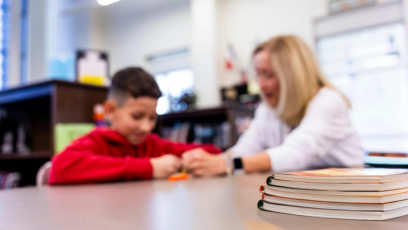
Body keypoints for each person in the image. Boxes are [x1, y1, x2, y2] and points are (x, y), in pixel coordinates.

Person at [182, 35, 363, 176]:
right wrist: (209, 162)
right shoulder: (268, 108)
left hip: (347, 195)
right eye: (258, 75)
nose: (260, 85)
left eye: (267, 75)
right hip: (304, 193)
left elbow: (296, 152)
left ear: (293, 76)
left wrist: (226, 164)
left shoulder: (328, 101)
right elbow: (246, 148)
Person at [49, 67, 221, 185]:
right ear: (110, 110)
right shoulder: (96, 142)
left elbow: (213, 151)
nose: (146, 127)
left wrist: (194, 160)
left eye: (152, 118)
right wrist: (149, 167)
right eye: (137, 116)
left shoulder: (153, 144)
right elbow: (59, 168)